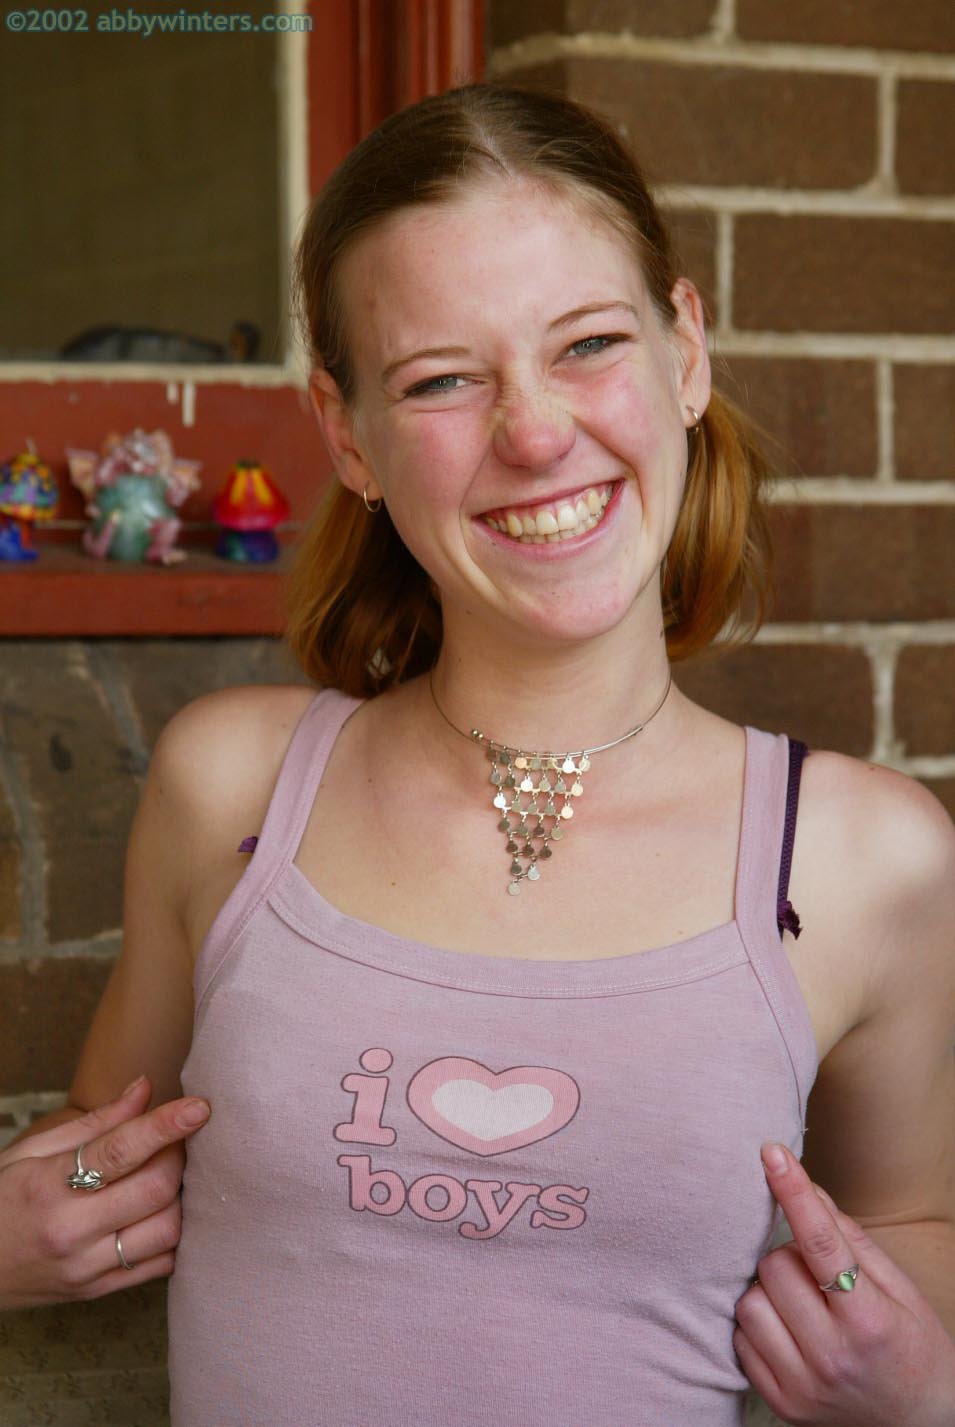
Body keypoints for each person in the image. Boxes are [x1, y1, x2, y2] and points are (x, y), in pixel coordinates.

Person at [13, 82, 955, 1425]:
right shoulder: (231, 787)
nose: (534, 431)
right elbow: (97, 1164)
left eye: (589, 344)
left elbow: (914, 1224)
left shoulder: (869, 859)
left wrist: (925, 1384)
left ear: (686, 352)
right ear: (347, 435)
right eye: (442, 380)